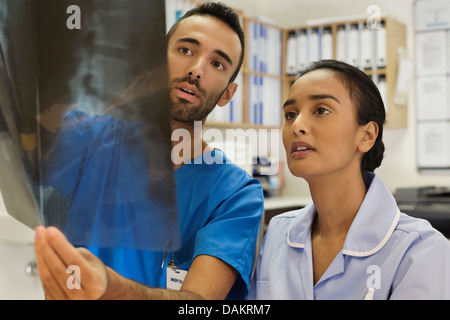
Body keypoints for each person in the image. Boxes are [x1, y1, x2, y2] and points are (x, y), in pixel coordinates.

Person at [34, 2, 263, 300]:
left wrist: (110, 289)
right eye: (186, 50)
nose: (196, 70)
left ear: (227, 95)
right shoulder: (91, 140)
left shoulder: (236, 195)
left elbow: (199, 302)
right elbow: (23, 129)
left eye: (217, 64)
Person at [249, 59, 450, 300]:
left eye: (321, 110)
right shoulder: (277, 233)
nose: (297, 126)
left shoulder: (420, 250)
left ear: (366, 136)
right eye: (290, 114)